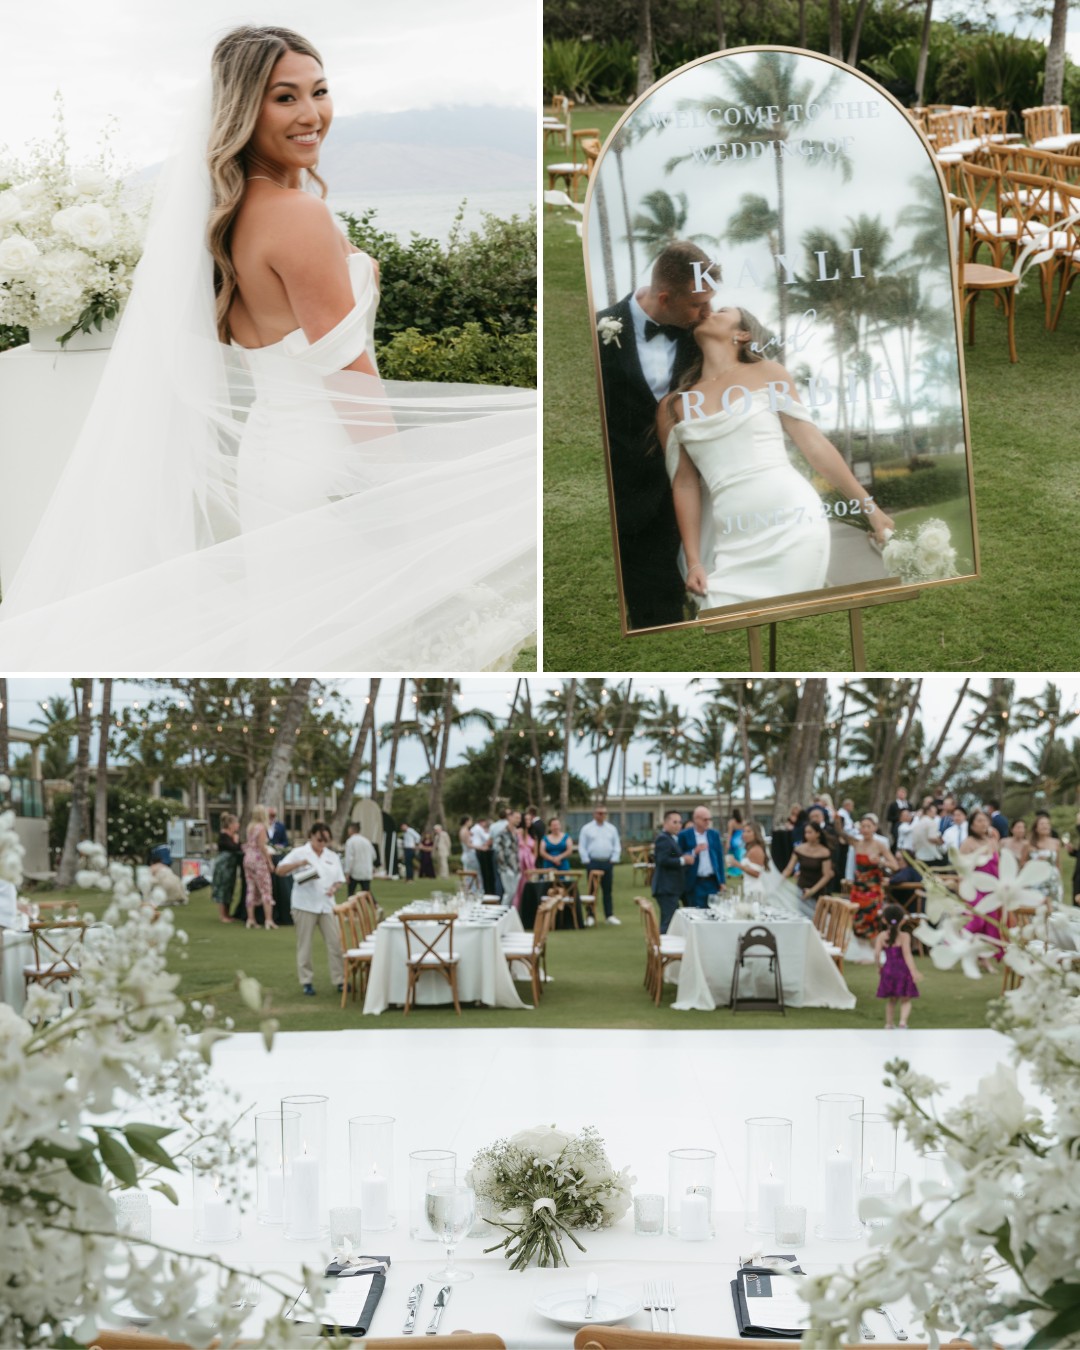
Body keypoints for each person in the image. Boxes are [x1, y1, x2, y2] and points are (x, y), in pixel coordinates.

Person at [0, 25, 536, 671]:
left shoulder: (223, 219)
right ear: (242, 110)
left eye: (320, 91)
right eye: (285, 98)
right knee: (348, 641)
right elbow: (351, 375)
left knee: (300, 638)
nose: (312, 115)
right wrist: (397, 494)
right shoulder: (297, 216)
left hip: (271, 460)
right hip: (327, 464)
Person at [658, 306, 895, 612]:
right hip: (731, 537)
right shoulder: (673, 406)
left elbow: (815, 447)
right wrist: (694, 562)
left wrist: (871, 510)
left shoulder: (769, 373)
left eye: (722, 310)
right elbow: (685, 485)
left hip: (792, 520)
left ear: (742, 334)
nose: (709, 311)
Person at [595, 241, 718, 630]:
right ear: (665, 297)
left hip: (681, 492)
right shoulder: (598, 330)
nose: (707, 312)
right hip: (621, 498)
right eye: (698, 304)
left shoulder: (702, 336)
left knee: (664, 614)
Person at [276, 821, 345, 995]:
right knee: (304, 944)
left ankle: (340, 979)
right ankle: (306, 981)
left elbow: (339, 879)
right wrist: (299, 864)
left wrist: (334, 888)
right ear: (311, 836)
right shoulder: (299, 852)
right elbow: (280, 870)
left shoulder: (332, 856)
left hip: (326, 904)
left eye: (326, 840)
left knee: (336, 943)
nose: (322, 843)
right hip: (304, 904)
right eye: (319, 839)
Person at [960, 810, 1003, 961]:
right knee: (977, 920)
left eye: (985, 820)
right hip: (975, 888)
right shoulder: (968, 843)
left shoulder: (992, 842)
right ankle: (955, 943)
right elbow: (962, 869)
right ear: (971, 825)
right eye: (979, 821)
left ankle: (985, 959)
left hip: (992, 888)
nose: (983, 824)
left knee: (991, 924)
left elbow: (998, 865)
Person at [850, 816, 899, 944]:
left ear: (874, 828)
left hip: (873, 887)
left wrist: (881, 862)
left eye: (868, 826)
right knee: (857, 916)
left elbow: (895, 865)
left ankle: (874, 948)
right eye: (863, 826)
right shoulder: (857, 843)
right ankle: (860, 947)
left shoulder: (880, 845)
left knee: (872, 916)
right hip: (858, 887)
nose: (865, 829)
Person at [874, 904, 922, 1029]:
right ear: (903, 920)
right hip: (902, 971)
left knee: (892, 1000)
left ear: (884, 920)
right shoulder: (905, 936)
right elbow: (907, 955)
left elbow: (877, 954)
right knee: (906, 999)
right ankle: (902, 1022)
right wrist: (913, 971)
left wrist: (879, 967)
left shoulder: (881, 936)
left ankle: (889, 1024)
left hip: (888, 970)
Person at [578, 805, 622, 925]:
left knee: (607, 890)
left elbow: (616, 844)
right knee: (592, 890)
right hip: (593, 862)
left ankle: (609, 915)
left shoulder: (611, 829)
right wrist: (586, 861)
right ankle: (590, 916)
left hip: (607, 862)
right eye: (599, 813)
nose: (601, 815)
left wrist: (614, 859)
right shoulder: (587, 829)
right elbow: (582, 846)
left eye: (604, 813)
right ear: (594, 814)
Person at [782, 819, 834, 918]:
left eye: (810, 832)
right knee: (801, 917)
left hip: (817, 890)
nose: (807, 835)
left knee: (816, 919)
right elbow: (789, 869)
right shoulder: (799, 849)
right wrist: (778, 881)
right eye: (806, 832)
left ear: (818, 834)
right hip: (801, 888)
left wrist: (812, 891)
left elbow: (826, 875)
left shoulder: (824, 852)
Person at [677, 806, 725, 910]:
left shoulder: (714, 834)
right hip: (695, 882)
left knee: (713, 911)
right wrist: (694, 851)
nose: (708, 822)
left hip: (712, 881)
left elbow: (720, 859)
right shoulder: (684, 835)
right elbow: (676, 854)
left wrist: (722, 881)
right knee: (696, 913)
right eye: (705, 819)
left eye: (709, 819)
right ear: (696, 819)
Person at [652, 809, 691, 933]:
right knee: (668, 922)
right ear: (666, 823)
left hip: (671, 888)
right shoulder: (663, 839)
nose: (678, 825)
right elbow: (663, 860)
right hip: (666, 888)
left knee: (670, 920)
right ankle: (661, 950)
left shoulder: (672, 839)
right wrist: (683, 861)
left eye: (680, 822)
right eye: (675, 822)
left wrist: (682, 858)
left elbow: (672, 855)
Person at [243, 805, 278, 930]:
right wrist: (269, 862)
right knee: (266, 889)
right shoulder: (261, 827)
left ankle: (250, 919)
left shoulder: (250, 827)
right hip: (258, 860)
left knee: (251, 888)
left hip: (248, 858)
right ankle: (268, 920)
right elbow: (262, 847)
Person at [212, 813, 242, 922]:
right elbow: (233, 847)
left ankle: (228, 914)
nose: (238, 825)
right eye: (236, 823)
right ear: (230, 824)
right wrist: (236, 841)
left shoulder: (234, 836)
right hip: (224, 866)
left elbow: (239, 847)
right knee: (222, 889)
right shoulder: (224, 836)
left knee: (230, 888)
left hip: (231, 866)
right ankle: (222, 915)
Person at [1028, 813, 1063, 905]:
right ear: (1036, 828)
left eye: (1047, 824)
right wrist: (1035, 862)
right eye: (1042, 824)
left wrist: (1059, 881)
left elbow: (1058, 864)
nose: (1045, 826)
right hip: (1036, 880)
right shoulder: (1029, 844)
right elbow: (1022, 864)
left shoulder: (1056, 843)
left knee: (1054, 908)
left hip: (1052, 880)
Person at [493, 810, 522, 908]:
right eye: (516, 818)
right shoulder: (502, 833)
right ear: (510, 817)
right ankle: (502, 913)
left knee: (513, 894)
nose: (519, 820)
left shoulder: (516, 833)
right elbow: (498, 852)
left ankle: (507, 914)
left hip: (516, 868)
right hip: (506, 868)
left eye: (519, 818)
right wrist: (504, 867)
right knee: (509, 893)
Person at [738, 820, 771, 900]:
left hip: (755, 890)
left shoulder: (756, 850)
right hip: (748, 888)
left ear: (756, 834)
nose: (745, 834)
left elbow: (756, 874)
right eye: (744, 831)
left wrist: (737, 865)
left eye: (748, 831)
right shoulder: (750, 849)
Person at [343, 821, 376, 897]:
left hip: (355, 870)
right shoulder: (366, 841)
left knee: (351, 892)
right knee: (366, 891)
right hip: (366, 870)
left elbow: (349, 858)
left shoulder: (350, 841)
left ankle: (352, 907)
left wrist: (347, 872)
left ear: (351, 830)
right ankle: (376, 906)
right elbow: (374, 855)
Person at [471, 816, 496, 894]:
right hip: (481, 851)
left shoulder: (474, 828)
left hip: (478, 850)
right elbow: (487, 838)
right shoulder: (479, 829)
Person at [458, 816, 478, 887]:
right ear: (467, 821)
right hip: (469, 855)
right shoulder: (465, 830)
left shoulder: (464, 830)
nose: (471, 823)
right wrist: (481, 847)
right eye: (470, 821)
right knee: (470, 874)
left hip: (466, 854)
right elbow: (468, 845)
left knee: (468, 874)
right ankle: (470, 889)